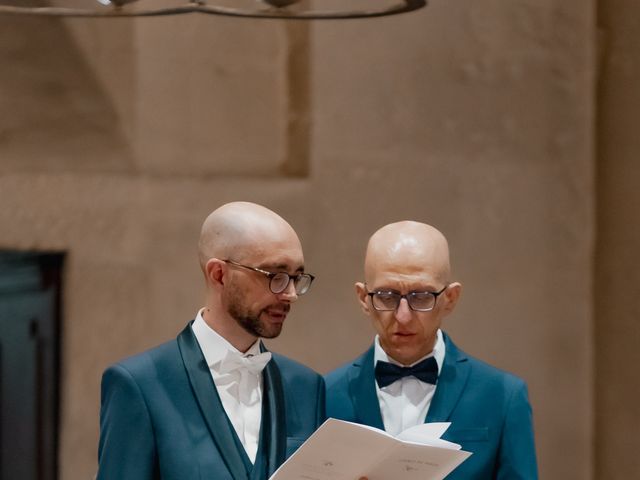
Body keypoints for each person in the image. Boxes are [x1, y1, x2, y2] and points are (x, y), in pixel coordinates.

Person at [97, 201, 325, 480]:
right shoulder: (139, 385)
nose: (290, 293)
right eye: (276, 276)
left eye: (296, 277)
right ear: (219, 274)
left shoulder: (306, 387)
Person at [325, 221, 538, 479]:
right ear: (363, 299)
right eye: (387, 295)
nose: (403, 316)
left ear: (450, 299)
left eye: (421, 296)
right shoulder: (324, 394)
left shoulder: (503, 396)